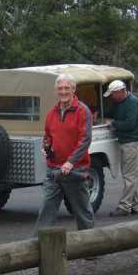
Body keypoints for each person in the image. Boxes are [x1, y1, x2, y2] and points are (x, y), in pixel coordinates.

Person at [35, 73, 95, 233]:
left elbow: (85, 140)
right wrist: (45, 146)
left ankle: (90, 247)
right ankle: (39, 247)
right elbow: (48, 135)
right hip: (54, 169)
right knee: (46, 209)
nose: (63, 91)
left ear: (73, 89)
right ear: (56, 90)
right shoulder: (52, 113)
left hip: (75, 170)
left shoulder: (83, 111)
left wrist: (71, 162)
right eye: (60, 88)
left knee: (82, 211)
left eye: (67, 88)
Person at [104, 79, 138, 216]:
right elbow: (112, 112)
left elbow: (130, 124)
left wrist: (114, 124)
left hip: (132, 141)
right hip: (128, 141)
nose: (112, 97)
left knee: (129, 175)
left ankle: (124, 206)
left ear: (121, 91)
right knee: (132, 175)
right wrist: (99, 112)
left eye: (113, 94)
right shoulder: (120, 102)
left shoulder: (132, 102)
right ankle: (136, 204)